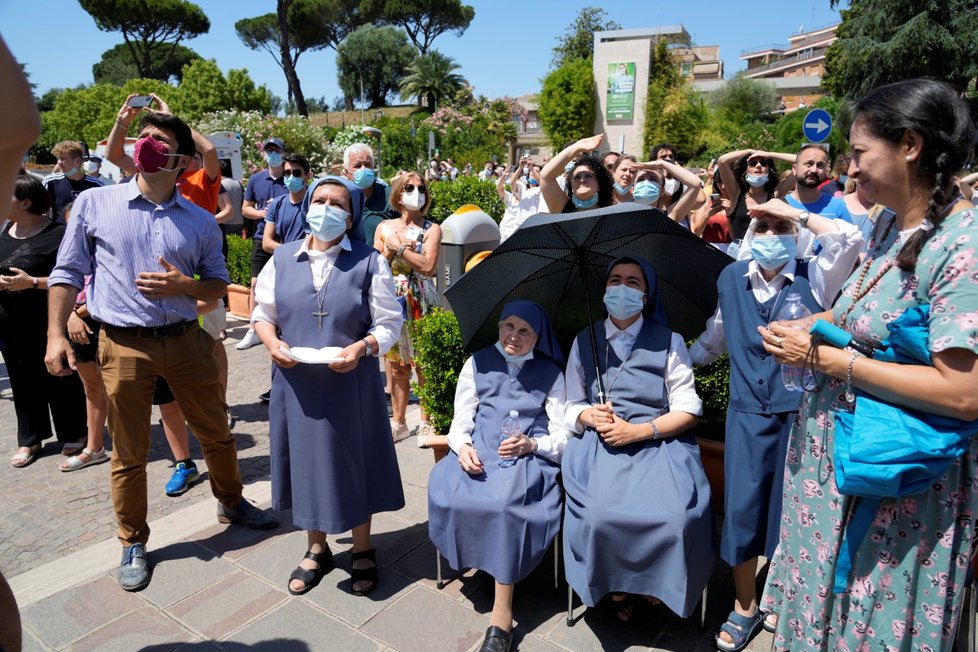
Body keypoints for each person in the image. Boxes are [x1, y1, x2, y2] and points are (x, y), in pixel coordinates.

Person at [758, 78, 978, 650]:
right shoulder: (886, 226)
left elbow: (964, 392)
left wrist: (830, 362)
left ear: (909, 144)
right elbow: (865, 314)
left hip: (895, 497)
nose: (848, 171)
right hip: (840, 474)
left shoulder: (963, 246)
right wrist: (816, 322)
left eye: (859, 154)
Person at [46, 110, 278, 592]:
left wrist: (185, 285)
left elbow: (216, 284)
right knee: (128, 452)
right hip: (123, 345)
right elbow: (67, 271)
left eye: (157, 139)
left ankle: (231, 501)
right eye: (142, 137)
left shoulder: (198, 219)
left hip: (187, 340)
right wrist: (54, 334)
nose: (144, 144)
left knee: (215, 432)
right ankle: (133, 540)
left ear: (181, 160)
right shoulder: (95, 204)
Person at [689, 204, 863, 651]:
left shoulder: (816, 275)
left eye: (779, 226)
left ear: (795, 232)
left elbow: (849, 239)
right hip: (747, 414)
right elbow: (717, 333)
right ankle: (744, 606)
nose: (769, 232)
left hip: (805, 413)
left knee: (797, 511)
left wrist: (793, 211)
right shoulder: (732, 278)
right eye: (760, 225)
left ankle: (784, 594)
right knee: (743, 510)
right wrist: (677, 363)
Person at [252, 175, 404, 596]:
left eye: (338, 203)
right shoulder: (281, 259)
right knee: (306, 463)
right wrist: (272, 343)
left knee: (353, 462)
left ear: (350, 215)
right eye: (320, 200)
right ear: (307, 207)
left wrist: (361, 348)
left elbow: (390, 323)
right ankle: (316, 548)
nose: (327, 208)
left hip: (350, 381)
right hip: (297, 382)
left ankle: (362, 548)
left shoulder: (370, 261)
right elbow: (262, 313)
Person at [562, 256, 715, 622]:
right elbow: (566, 403)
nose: (623, 288)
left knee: (675, 515)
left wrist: (640, 430)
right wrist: (587, 415)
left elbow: (688, 407)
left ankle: (658, 583)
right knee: (598, 516)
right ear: (604, 292)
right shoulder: (585, 340)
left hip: (657, 441)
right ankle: (614, 588)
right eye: (615, 280)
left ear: (646, 296)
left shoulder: (670, 341)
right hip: (601, 445)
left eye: (633, 282)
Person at [428, 300, 570, 652]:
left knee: (506, 506)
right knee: (454, 494)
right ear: (499, 327)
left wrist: (532, 445)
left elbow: (565, 435)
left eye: (525, 331)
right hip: (479, 448)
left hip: (526, 454)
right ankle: (477, 559)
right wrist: (462, 448)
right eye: (509, 326)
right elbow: (460, 422)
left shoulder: (552, 373)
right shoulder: (476, 362)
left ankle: (501, 614)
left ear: (538, 337)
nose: (514, 336)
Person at [3, 175, 87, 467]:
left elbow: (75, 277)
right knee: (21, 379)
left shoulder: (59, 234)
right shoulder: (4, 231)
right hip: (10, 322)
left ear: (26, 202)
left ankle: (74, 431)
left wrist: (31, 282)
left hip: (48, 317)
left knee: (61, 376)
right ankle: (30, 439)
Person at [373, 171, 442, 443]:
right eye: (410, 187)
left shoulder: (431, 228)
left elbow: (428, 266)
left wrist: (400, 250)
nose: (417, 192)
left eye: (422, 188)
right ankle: (399, 421)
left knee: (423, 364)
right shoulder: (384, 228)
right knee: (398, 365)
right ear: (398, 195)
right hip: (393, 300)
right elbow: (375, 263)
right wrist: (392, 248)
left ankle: (426, 421)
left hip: (421, 300)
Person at [237, 137, 289, 352]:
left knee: (287, 285)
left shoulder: (291, 177)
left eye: (276, 150)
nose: (272, 154)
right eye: (269, 150)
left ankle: (286, 327)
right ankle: (253, 329)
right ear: (263, 154)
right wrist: (262, 213)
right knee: (256, 283)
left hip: (286, 239)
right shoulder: (256, 180)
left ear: (283, 153)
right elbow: (245, 208)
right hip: (261, 238)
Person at [717, 149, 791, 247]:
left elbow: (801, 163)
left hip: (768, 249)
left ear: (769, 169)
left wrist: (769, 154)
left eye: (764, 163)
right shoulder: (736, 194)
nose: (758, 166)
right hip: (739, 253)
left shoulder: (776, 194)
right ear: (745, 170)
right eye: (752, 163)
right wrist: (749, 151)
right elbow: (722, 161)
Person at [540, 135, 614, 214]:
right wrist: (577, 146)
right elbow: (545, 177)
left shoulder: (610, 213)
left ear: (599, 185)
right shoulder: (563, 209)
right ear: (571, 186)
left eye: (588, 176)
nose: (582, 180)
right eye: (577, 177)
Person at [341, 143, 397, 248]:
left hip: (381, 261)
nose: (363, 169)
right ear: (345, 172)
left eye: (367, 165)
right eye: (357, 165)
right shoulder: (340, 199)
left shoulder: (390, 195)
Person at [262, 154, 311, 252]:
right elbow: (266, 243)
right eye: (287, 173)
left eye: (297, 173)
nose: (291, 177)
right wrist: (290, 251)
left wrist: (284, 250)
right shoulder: (276, 204)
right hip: (283, 261)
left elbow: (310, 244)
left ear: (307, 175)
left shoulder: (314, 205)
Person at [43, 140, 103, 220]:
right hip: (60, 232)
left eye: (63, 159)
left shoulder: (97, 185)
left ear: (77, 161)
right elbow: (42, 213)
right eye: (58, 159)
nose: (59, 162)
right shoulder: (50, 182)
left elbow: (102, 213)